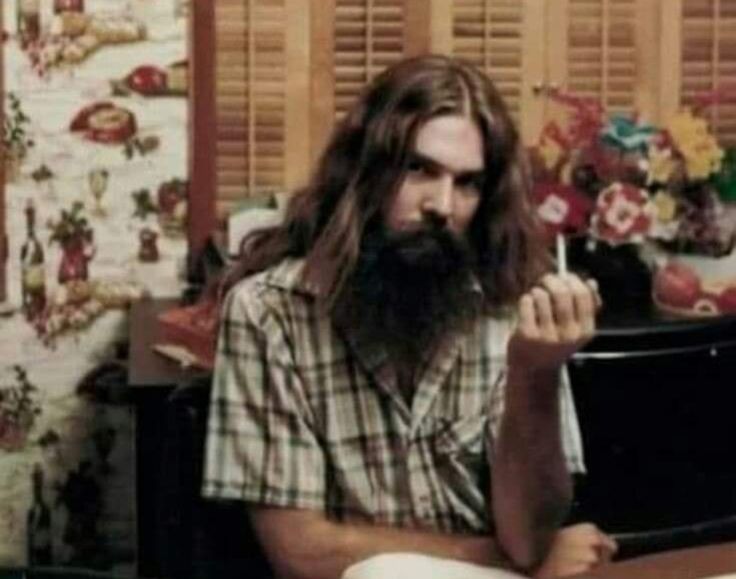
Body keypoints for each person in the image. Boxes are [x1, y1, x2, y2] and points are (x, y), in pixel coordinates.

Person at [202, 54, 617, 579]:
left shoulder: (512, 306)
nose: (442, 204)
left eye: (467, 183)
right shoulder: (268, 313)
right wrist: (506, 558)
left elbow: (528, 535)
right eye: (419, 169)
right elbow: (301, 552)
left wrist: (535, 371)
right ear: (365, 172)